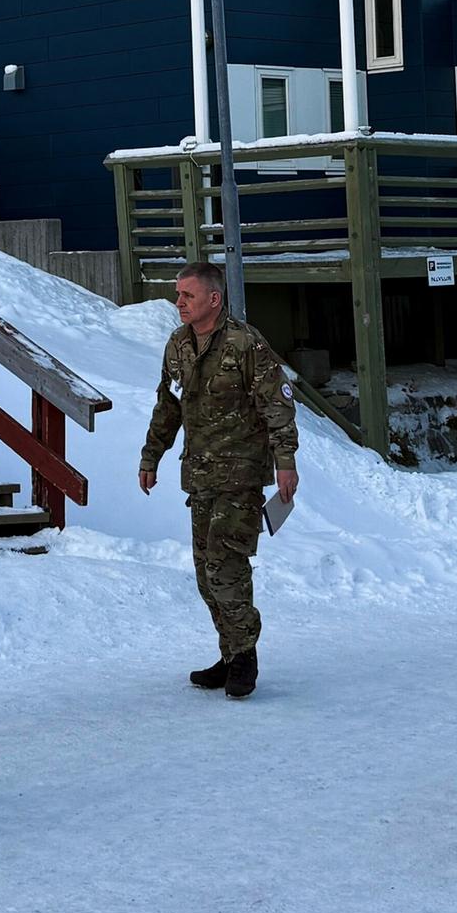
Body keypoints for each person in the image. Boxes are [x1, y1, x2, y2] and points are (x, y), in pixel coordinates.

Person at [138, 260, 300, 698]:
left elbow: (278, 406)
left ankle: (245, 656)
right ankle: (229, 654)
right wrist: (151, 456)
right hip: (201, 477)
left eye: (187, 296)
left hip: (241, 476)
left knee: (225, 567)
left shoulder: (245, 344)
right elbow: (168, 406)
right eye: (177, 295)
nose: (179, 303)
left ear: (214, 299)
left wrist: (286, 461)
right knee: (205, 574)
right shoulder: (178, 346)